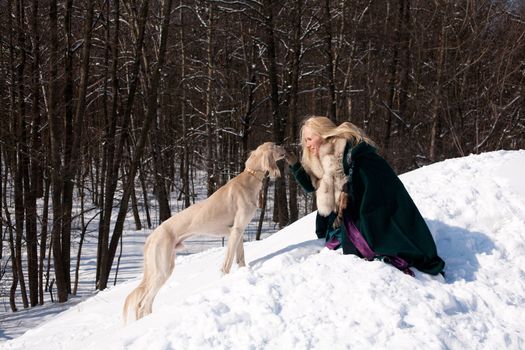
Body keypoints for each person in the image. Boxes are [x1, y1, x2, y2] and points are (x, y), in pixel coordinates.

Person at [285, 116, 445, 276]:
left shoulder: (345, 146)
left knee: (362, 242)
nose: (307, 144)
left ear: (323, 134)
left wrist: (349, 186)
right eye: (305, 140)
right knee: (335, 241)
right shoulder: (316, 158)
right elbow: (310, 186)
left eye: (309, 139)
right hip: (336, 218)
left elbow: (363, 168)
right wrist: (294, 165)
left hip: (358, 208)